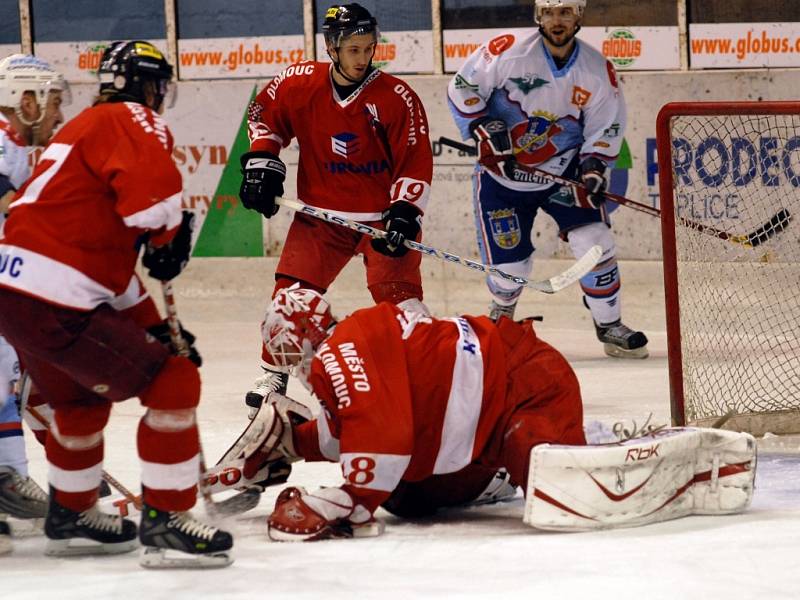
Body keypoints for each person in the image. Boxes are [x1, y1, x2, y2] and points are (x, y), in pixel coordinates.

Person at [0, 41, 232, 568]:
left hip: (14, 295)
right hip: (55, 297)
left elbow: (113, 270)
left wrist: (157, 328)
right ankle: (167, 519)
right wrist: (168, 233)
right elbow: (152, 198)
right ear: (148, 85)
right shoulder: (130, 116)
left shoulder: (80, 132)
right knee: (174, 381)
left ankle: (72, 516)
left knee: (79, 402)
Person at [232, 285, 586, 540]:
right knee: (406, 497)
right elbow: (353, 427)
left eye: (289, 354)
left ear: (305, 334)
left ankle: (593, 442)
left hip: (526, 385)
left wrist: (350, 500)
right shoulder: (354, 347)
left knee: (562, 496)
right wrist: (294, 443)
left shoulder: (338, 352)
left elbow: (384, 438)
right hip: (487, 422)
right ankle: (497, 479)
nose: (295, 368)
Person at [238, 2, 433, 407]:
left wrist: (404, 213)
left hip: (379, 222)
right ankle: (274, 375)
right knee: (288, 296)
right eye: (353, 50)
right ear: (332, 47)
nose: (363, 59)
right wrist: (263, 161)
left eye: (368, 48)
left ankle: (431, 368)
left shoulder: (397, 97)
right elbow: (264, 117)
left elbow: (414, 159)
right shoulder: (298, 83)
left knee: (402, 301)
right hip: (319, 218)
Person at [446, 0, 648, 358]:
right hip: (501, 178)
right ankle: (503, 316)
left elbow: (608, 124)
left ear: (578, 16)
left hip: (562, 175)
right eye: (551, 13)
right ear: (538, 16)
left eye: (566, 13)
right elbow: (463, 88)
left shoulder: (596, 69)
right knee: (509, 269)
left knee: (596, 240)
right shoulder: (507, 51)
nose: (558, 21)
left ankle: (609, 323)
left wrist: (594, 168)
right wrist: (484, 130)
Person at [0, 54, 68, 550]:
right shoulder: (1, 136)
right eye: (54, 101)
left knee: (22, 373)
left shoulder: (24, 144)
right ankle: (8, 477)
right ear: (28, 99)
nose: (59, 114)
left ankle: (60, 476)